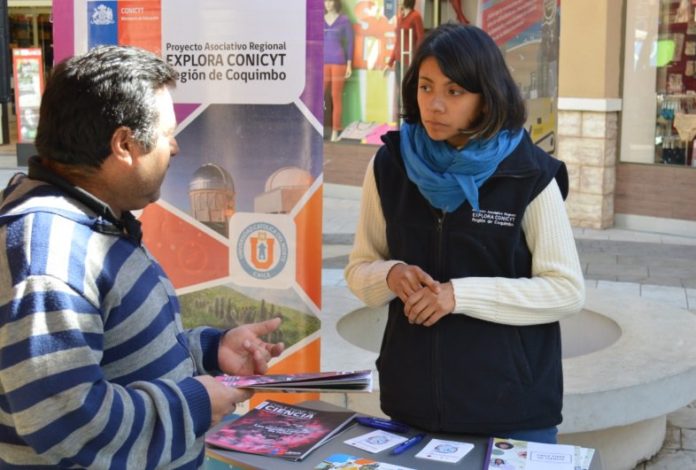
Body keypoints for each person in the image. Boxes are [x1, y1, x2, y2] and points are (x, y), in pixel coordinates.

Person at [0, 45, 285, 469]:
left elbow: (116, 354)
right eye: (167, 133)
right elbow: (66, 419)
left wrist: (210, 349)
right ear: (125, 144)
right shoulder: (51, 250)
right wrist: (194, 403)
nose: (175, 147)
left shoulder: (94, 220)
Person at [345, 24, 584, 444]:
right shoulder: (390, 166)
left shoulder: (528, 173)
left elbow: (566, 290)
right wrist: (390, 274)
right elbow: (358, 269)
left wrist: (459, 295)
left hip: (512, 413)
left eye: (455, 91)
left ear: (486, 96)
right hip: (411, 408)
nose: (434, 104)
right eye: (425, 86)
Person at [324, 0, 354, 142]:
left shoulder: (344, 20)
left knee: (336, 97)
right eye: (325, 1)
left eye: (330, 1)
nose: (327, 4)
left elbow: (350, 42)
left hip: (338, 62)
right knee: (319, 97)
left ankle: (336, 130)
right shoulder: (319, 19)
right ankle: (319, 127)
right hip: (322, 63)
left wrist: (349, 64)